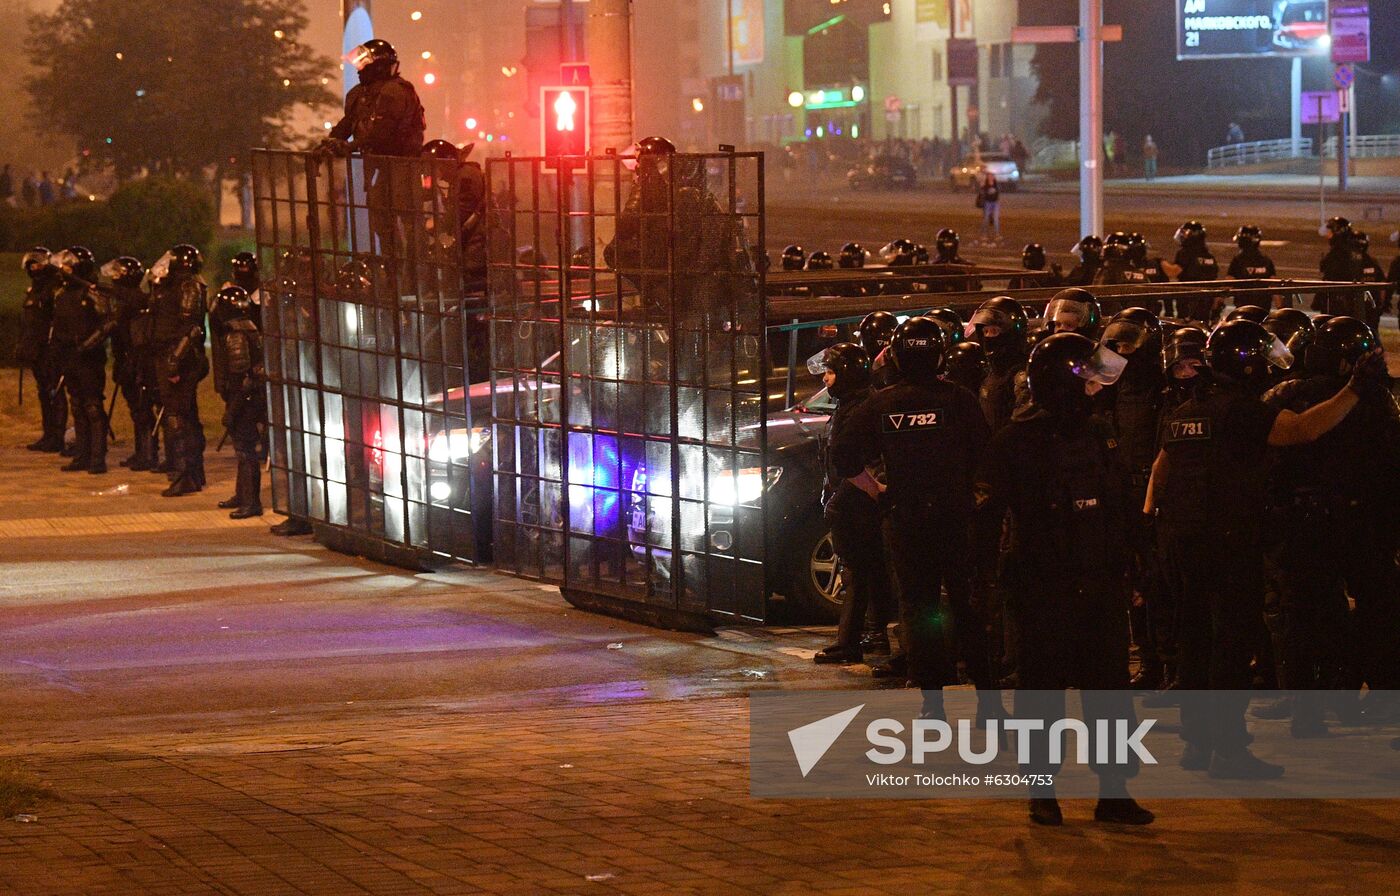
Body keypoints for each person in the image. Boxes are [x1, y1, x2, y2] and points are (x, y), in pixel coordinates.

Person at [1145, 319, 1387, 778]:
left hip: (1183, 541)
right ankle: (1230, 751)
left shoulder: (1187, 411)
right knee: (1231, 647)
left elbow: (1162, 470)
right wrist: (1355, 388)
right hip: (1229, 541)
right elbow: (1302, 429)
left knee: (1194, 642)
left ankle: (1197, 744)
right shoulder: (1239, 410)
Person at [975, 332, 1152, 826]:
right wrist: (985, 580)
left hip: (1098, 581)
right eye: (1090, 377)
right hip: (1041, 584)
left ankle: (1114, 793)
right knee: (1042, 695)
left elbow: (1118, 507)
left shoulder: (1099, 434)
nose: (1098, 386)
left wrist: (1133, 564)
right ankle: (1043, 793)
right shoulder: (1016, 440)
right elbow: (987, 513)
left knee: (1110, 696)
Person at [835, 318, 992, 718]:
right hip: (955, 517)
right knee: (966, 604)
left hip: (906, 519)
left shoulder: (882, 403)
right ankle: (988, 701)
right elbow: (987, 455)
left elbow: (844, 457)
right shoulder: (958, 399)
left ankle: (933, 704)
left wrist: (879, 491)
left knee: (919, 607)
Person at [1264, 317, 1400, 736]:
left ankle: (1309, 710)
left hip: (1303, 522)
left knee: (1304, 617)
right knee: (1379, 613)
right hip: (1359, 522)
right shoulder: (1374, 400)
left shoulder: (1286, 394)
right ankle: (1372, 699)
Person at [811, 343, 894, 665]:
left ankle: (852, 641)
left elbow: (854, 459)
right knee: (867, 571)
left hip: (856, 503)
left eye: (830, 373)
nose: (826, 380)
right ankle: (872, 637)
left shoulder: (861, 408)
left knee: (859, 571)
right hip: (853, 499)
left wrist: (856, 493)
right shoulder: (854, 405)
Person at [1098, 309, 1167, 689]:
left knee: (1156, 580)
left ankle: (1164, 661)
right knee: (1132, 581)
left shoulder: (1159, 386)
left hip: (1150, 492)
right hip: (1124, 489)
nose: (1120, 350)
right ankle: (1149, 658)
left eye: (1127, 343)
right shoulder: (1113, 385)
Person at [319, 39, 427, 259]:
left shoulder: (396, 92)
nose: (359, 70)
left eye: (364, 65)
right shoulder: (360, 94)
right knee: (380, 217)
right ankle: (393, 269)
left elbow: (381, 132)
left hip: (403, 166)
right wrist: (328, 143)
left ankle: (417, 274)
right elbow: (348, 123)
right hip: (380, 167)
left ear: (378, 66)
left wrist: (349, 147)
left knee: (409, 221)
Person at [149, 244, 210, 497]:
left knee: (178, 418)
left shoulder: (189, 286)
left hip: (180, 359)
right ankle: (194, 473)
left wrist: (175, 359)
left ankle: (186, 473)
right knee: (184, 416)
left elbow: (190, 327)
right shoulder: (177, 285)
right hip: (172, 355)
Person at [49, 247, 114, 474]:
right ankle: (81, 454)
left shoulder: (92, 293)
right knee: (77, 405)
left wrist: (88, 344)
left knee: (93, 406)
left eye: (68, 267)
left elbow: (107, 323)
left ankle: (97, 457)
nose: (64, 271)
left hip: (89, 358)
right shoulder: (62, 294)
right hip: (69, 357)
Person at [213, 286, 269, 519]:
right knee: (242, 449)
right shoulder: (250, 328)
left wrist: (233, 408)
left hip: (244, 400)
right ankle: (242, 494)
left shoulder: (235, 334)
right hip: (249, 398)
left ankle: (251, 502)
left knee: (246, 451)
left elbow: (240, 376)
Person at [99, 256, 151, 469]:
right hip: (125, 357)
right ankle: (142, 451)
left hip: (134, 359)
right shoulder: (126, 297)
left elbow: (116, 323)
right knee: (135, 407)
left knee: (141, 408)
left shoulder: (132, 299)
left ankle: (147, 453)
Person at [15, 248, 68, 452]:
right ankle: (48, 434)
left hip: (50, 349)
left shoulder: (54, 288)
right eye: (31, 266)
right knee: (44, 393)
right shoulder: (35, 289)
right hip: (36, 350)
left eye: (37, 264)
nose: (34, 269)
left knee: (54, 392)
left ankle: (57, 436)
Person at [969, 296, 1030, 433]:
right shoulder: (988, 371)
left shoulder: (1022, 375)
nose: (989, 337)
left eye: (994, 331)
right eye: (985, 332)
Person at [1170, 221, 1218, 322]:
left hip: (1188, 300)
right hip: (1206, 300)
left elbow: (1174, 272)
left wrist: (1160, 263)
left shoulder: (1185, 253)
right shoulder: (1209, 256)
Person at [976, 172, 1001, 243]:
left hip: (995, 203)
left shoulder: (996, 185)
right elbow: (981, 194)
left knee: (996, 219)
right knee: (986, 219)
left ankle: (997, 234)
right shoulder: (985, 186)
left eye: (992, 176)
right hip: (987, 203)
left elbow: (997, 195)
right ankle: (984, 235)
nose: (991, 177)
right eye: (989, 176)